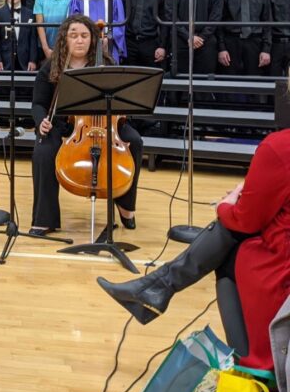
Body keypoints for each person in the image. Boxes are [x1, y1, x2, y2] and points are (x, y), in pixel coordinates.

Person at [98, 126, 290, 372]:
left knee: (228, 249)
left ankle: (250, 371)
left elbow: (246, 219)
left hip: (279, 270)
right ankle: (156, 287)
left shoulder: (279, 147)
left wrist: (226, 204)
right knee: (229, 241)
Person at [30, 14, 142, 234]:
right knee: (43, 151)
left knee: (135, 142)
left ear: (93, 39)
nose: (79, 40)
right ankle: (45, 218)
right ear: (65, 39)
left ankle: (125, 205)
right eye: (74, 35)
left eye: (84, 35)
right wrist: (41, 120)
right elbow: (38, 103)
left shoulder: (106, 63)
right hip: (64, 124)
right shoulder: (52, 66)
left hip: (107, 122)